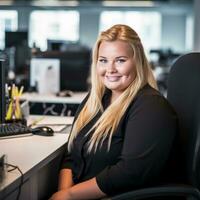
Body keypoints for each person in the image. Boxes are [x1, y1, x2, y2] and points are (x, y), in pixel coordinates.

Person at [50, 24, 177, 200]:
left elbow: (130, 172)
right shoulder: (95, 101)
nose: (110, 69)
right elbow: (72, 155)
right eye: (103, 60)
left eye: (120, 60)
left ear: (138, 62)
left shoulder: (151, 106)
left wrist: (70, 195)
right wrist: (62, 193)